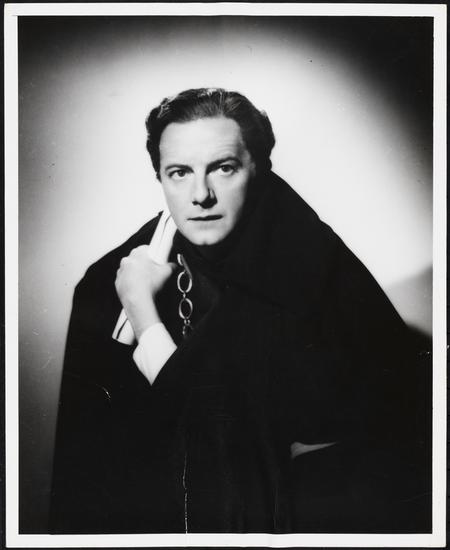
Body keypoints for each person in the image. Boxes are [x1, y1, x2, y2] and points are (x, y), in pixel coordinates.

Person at [50, 88, 430, 534]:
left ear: (260, 169)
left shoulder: (314, 269)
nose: (200, 195)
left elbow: (223, 437)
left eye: (224, 168)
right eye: (179, 173)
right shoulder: (106, 283)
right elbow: (89, 476)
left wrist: (144, 316)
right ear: (160, 177)